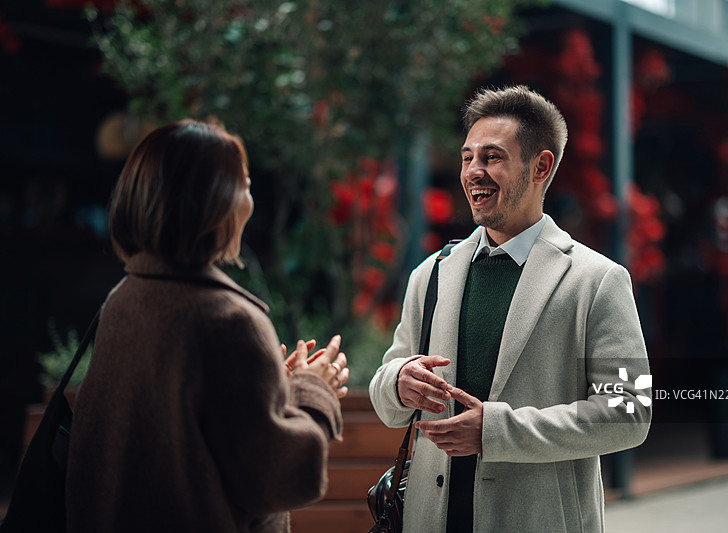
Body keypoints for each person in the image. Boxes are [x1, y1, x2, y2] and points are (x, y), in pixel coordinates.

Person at [369, 86, 651, 532]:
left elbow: (629, 413)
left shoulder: (599, 280)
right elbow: (386, 390)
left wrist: (496, 431)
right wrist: (398, 382)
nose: (473, 173)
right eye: (467, 157)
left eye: (492, 157)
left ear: (541, 166)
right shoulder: (432, 274)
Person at [66, 119, 349, 532]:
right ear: (216, 202)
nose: (251, 201)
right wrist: (313, 391)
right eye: (246, 184)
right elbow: (278, 479)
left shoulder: (124, 298)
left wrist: (273, 389)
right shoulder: (229, 321)